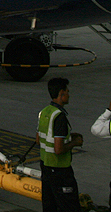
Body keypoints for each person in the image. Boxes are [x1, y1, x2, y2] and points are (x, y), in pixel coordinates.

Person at [38, 77, 83, 212]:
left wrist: (66, 136)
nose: (69, 95)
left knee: (49, 206)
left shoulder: (44, 112)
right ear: (61, 93)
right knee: (69, 206)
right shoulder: (59, 117)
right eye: (67, 92)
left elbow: (38, 139)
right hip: (59, 170)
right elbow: (58, 149)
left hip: (45, 167)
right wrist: (74, 142)